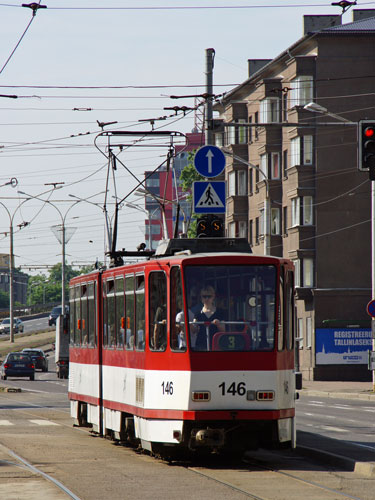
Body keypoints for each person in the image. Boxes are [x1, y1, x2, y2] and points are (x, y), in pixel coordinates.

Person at [193, 285, 225, 350]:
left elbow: (223, 330)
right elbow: (194, 330)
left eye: (209, 296)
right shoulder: (198, 313)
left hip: (216, 344)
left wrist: (218, 324)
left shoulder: (220, 312)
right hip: (201, 345)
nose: (207, 299)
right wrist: (191, 326)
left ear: (213, 297)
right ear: (201, 298)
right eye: (204, 296)